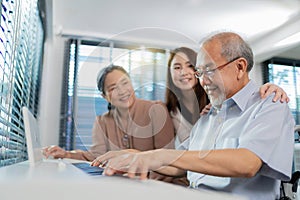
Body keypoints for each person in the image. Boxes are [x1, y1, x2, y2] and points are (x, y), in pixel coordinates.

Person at [91, 32, 295, 200]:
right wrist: (135, 155)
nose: (203, 81)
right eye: (200, 73)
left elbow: (247, 163)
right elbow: (178, 164)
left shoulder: (270, 104)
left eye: (209, 71)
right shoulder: (209, 115)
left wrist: (159, 155)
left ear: (240, 67)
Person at [165, 47, 289, 150]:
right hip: (187, 173)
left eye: (190, 66)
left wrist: (272, 88)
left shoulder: (219, 99)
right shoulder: (169, 110)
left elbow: (245, 95)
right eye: (177, 67)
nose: (183, 72)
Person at [43, 65, 175, 161]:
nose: (122, 91)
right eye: (113, 88)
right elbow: (96, 156)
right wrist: (66, 154)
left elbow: (168, 159)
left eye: (125, 83)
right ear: (104, 96)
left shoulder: (157, 110)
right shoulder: (102, 122)